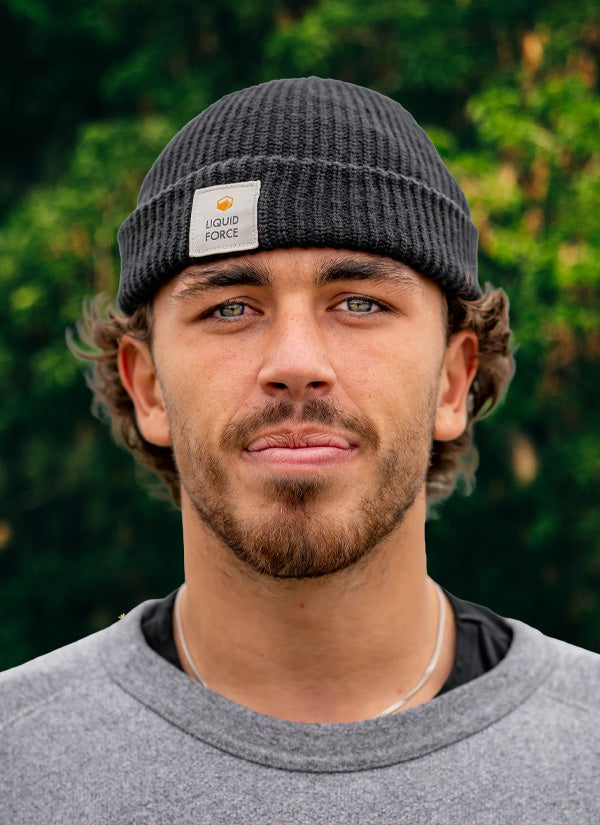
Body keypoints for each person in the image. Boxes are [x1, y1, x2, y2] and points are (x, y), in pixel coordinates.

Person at [1, 77, 598, 825]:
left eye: (359, 302)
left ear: (453, 381)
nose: (294, 359)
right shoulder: (16, 763)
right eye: (230, 306)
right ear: (147, 387)